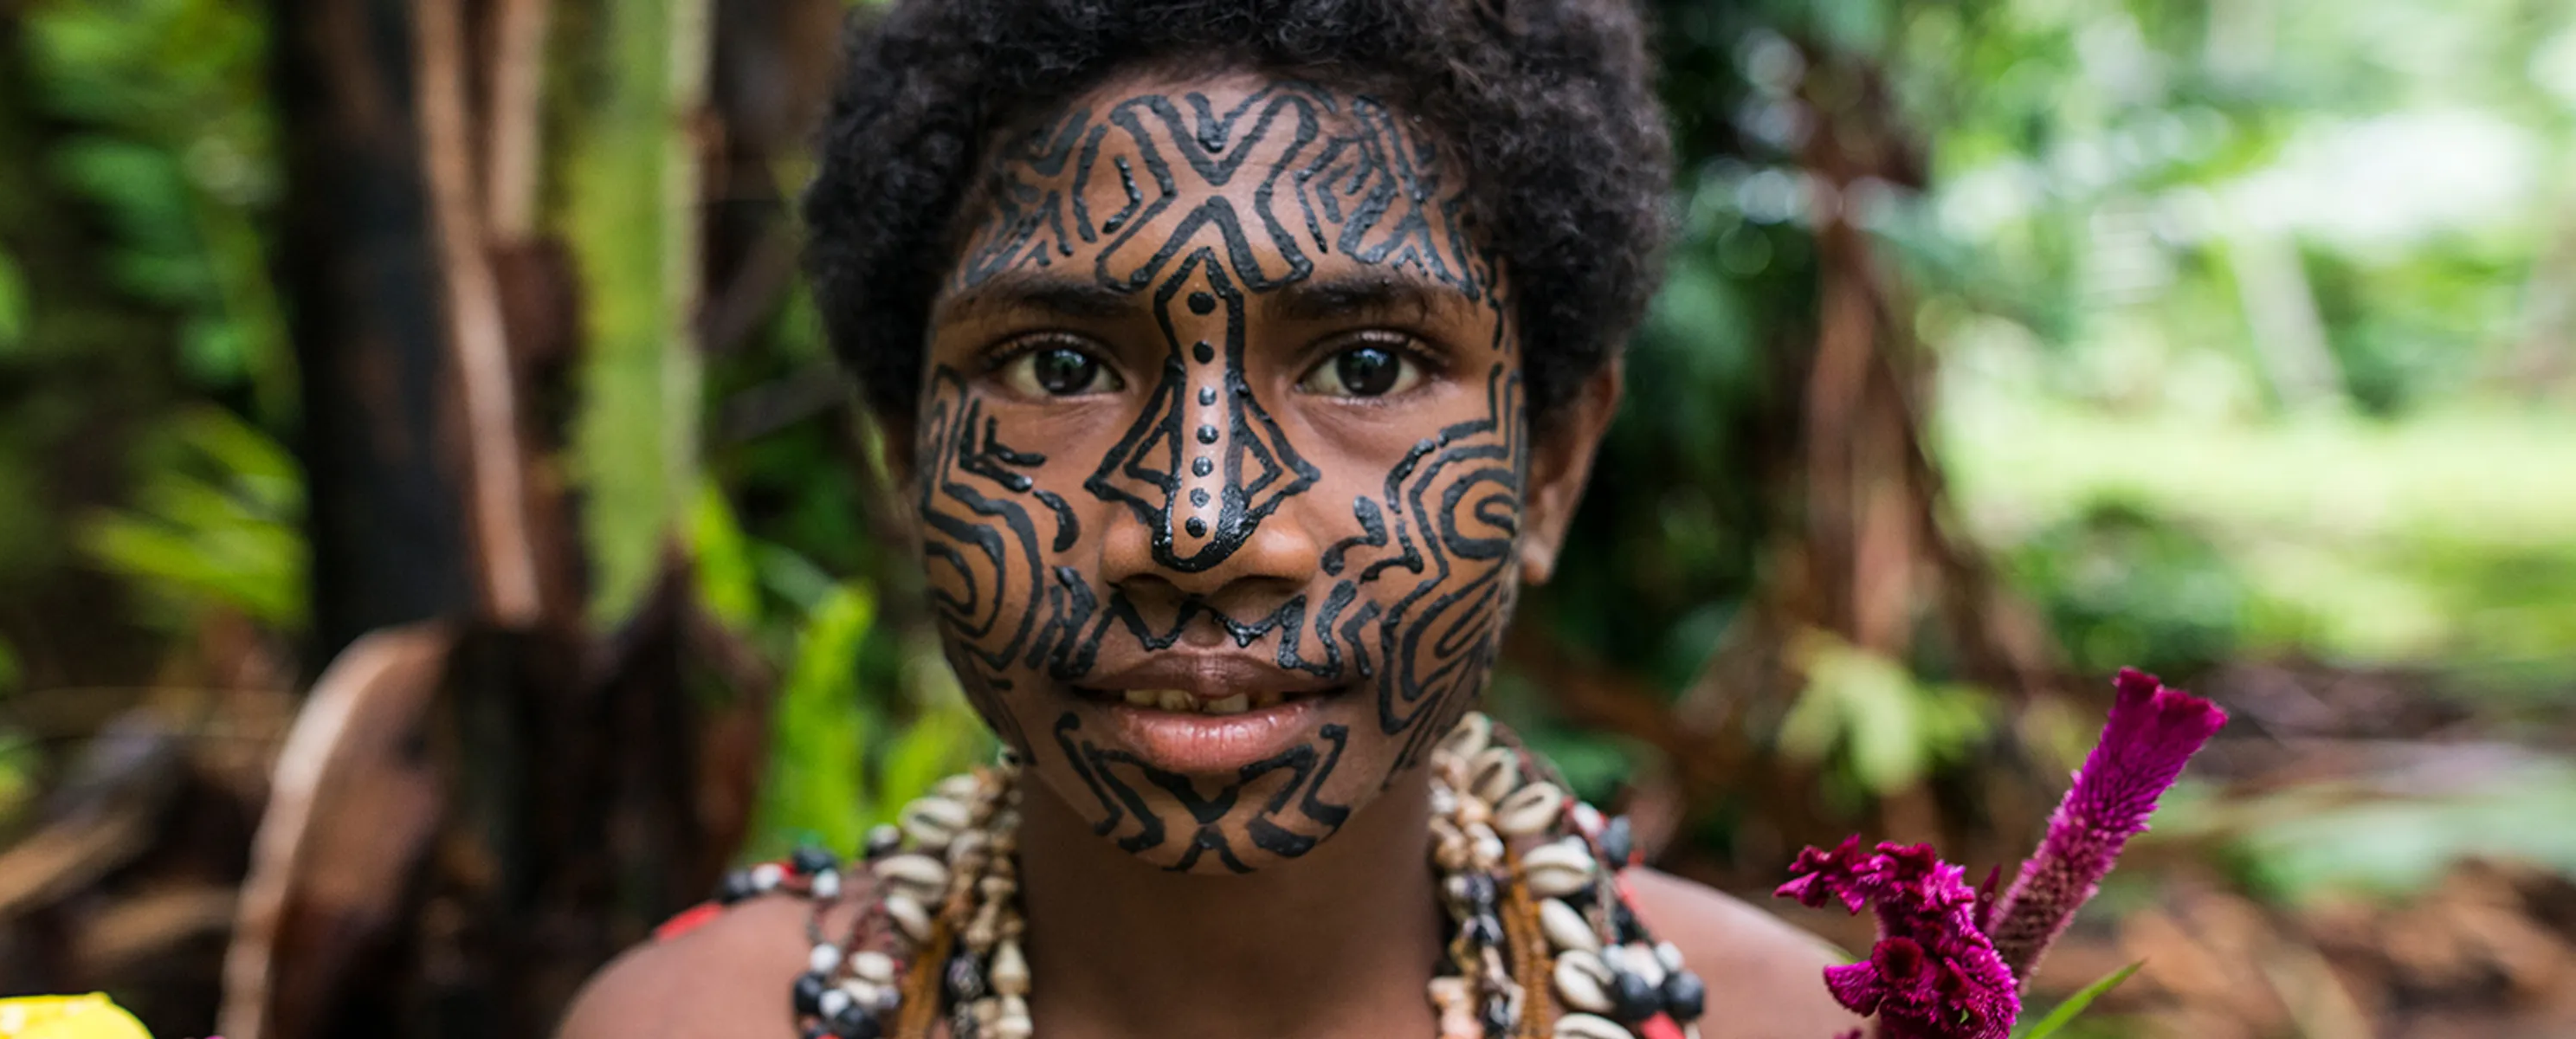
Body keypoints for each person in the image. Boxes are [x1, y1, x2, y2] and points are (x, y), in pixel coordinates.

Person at [559, 1, 1866, 1036]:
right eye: (1059, 367)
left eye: (1366, 366)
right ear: (910, 458)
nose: (1205, 524)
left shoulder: (1803, 1029)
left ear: (1550, 468)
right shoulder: (688, 1023)